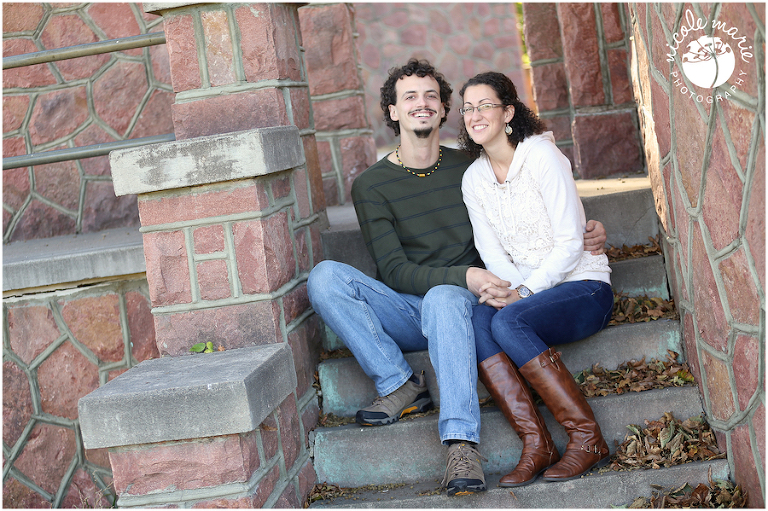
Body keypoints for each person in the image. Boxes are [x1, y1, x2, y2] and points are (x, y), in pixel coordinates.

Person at [307, 59, 607, 496]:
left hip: (465, 302)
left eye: (432, 96)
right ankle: (399, 382)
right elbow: (392, 271)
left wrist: (588, 229)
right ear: (392, 111)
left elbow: (524, 204)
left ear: (446, 109)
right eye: (409, 96)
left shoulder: (471, 166)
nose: (422, 104)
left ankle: (461, 445)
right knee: (324, 277)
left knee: (448, 298)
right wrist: (465, 274)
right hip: (414, 306)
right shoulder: (371, 185)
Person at [458, 71, 614, 488]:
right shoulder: (474, 179)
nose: (475, 115)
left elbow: (569, 243)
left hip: (583, 286)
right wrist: (511, 291)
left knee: (508, 321)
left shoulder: (543, 158)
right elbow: (492, 254)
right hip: (526, 297)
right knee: (477, 319)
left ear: (508, 112)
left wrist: (523, 293)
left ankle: (587, 439)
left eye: (485, 105)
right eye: (468, 107)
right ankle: (538, 443)